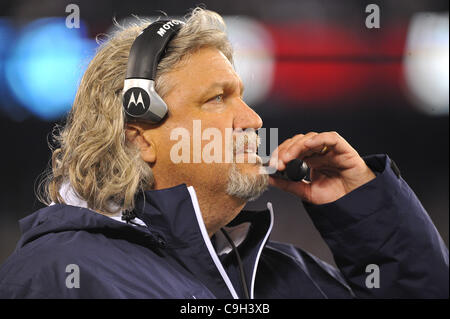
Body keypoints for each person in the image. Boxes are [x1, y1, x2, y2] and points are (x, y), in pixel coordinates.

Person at [0, 8, 447, 299]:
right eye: (218, 99)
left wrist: (368, 213)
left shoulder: (288, 274)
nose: (253, 120)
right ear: (140, 138)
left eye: (242, 96)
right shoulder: (61, 275)